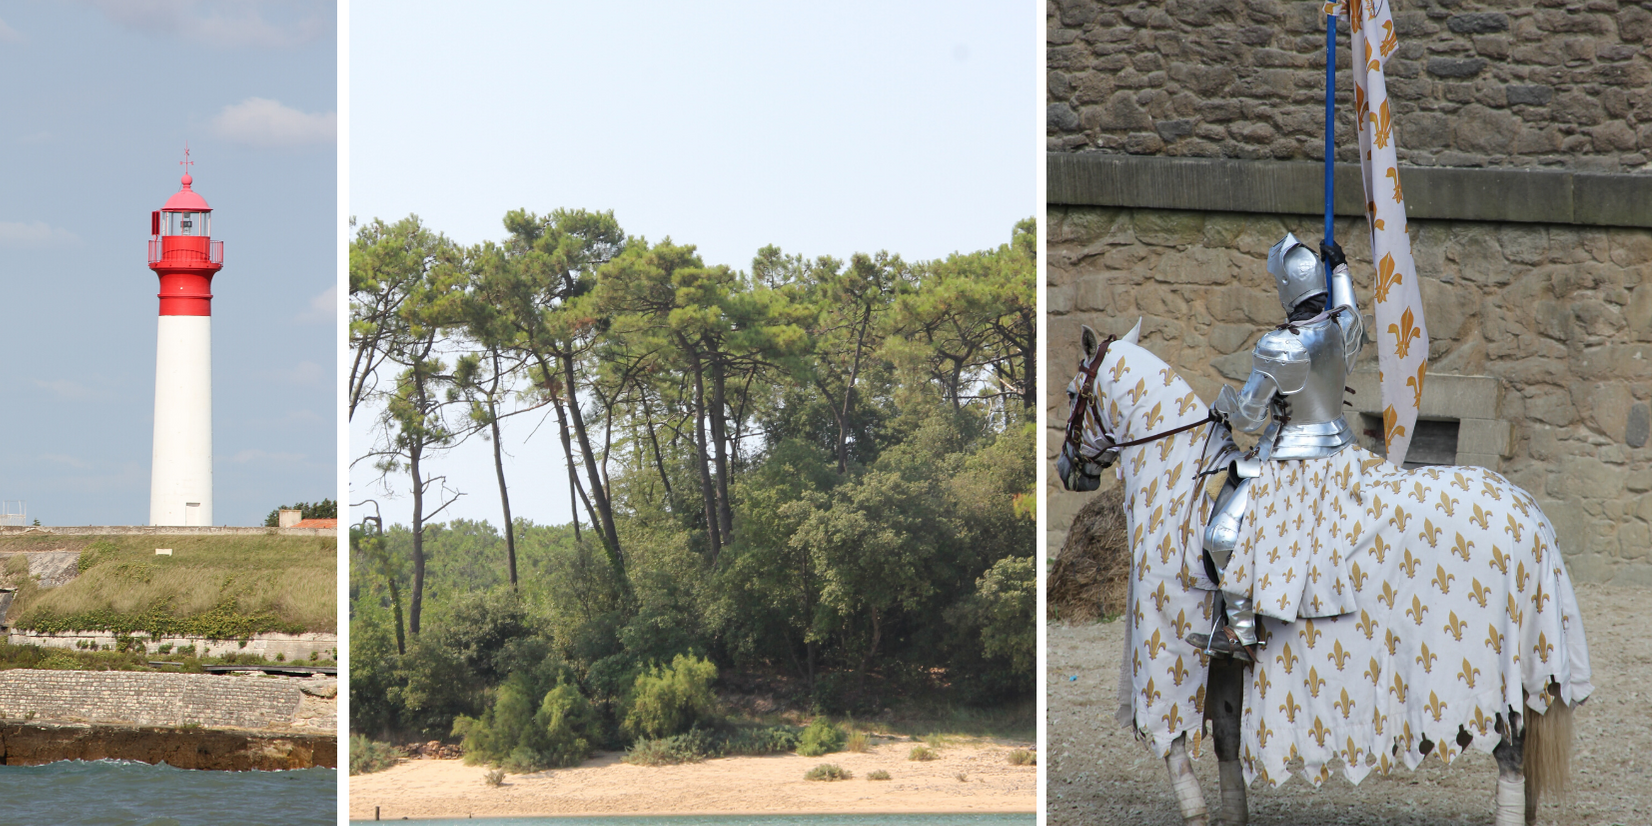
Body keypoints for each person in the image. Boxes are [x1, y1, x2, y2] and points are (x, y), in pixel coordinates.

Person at [1190, 232, 1363, 662]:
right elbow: (1352, 309)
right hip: (1342, 450)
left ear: (1286, 290)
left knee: (1222, 536)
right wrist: (1340, 268)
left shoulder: (1279, 345)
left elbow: (1249, 418)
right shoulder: (1342, 328)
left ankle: (1240, 635)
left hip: (1292, 459)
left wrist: (1224, 406)